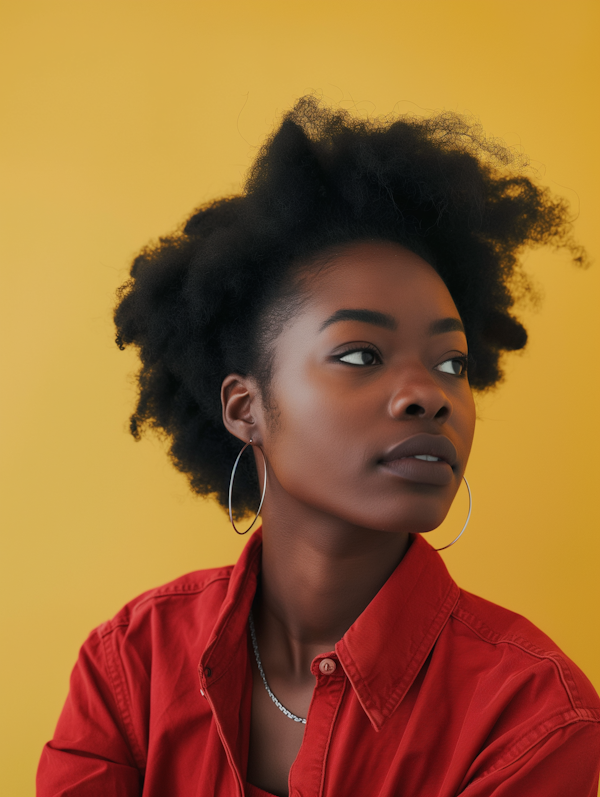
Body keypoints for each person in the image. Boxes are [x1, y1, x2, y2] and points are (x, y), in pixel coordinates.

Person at [37, 96, 600, 796]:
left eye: (452, 364)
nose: (428, 395)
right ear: (245, 407)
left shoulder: (532, 716)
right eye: (362, 354)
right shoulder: (129, 667)